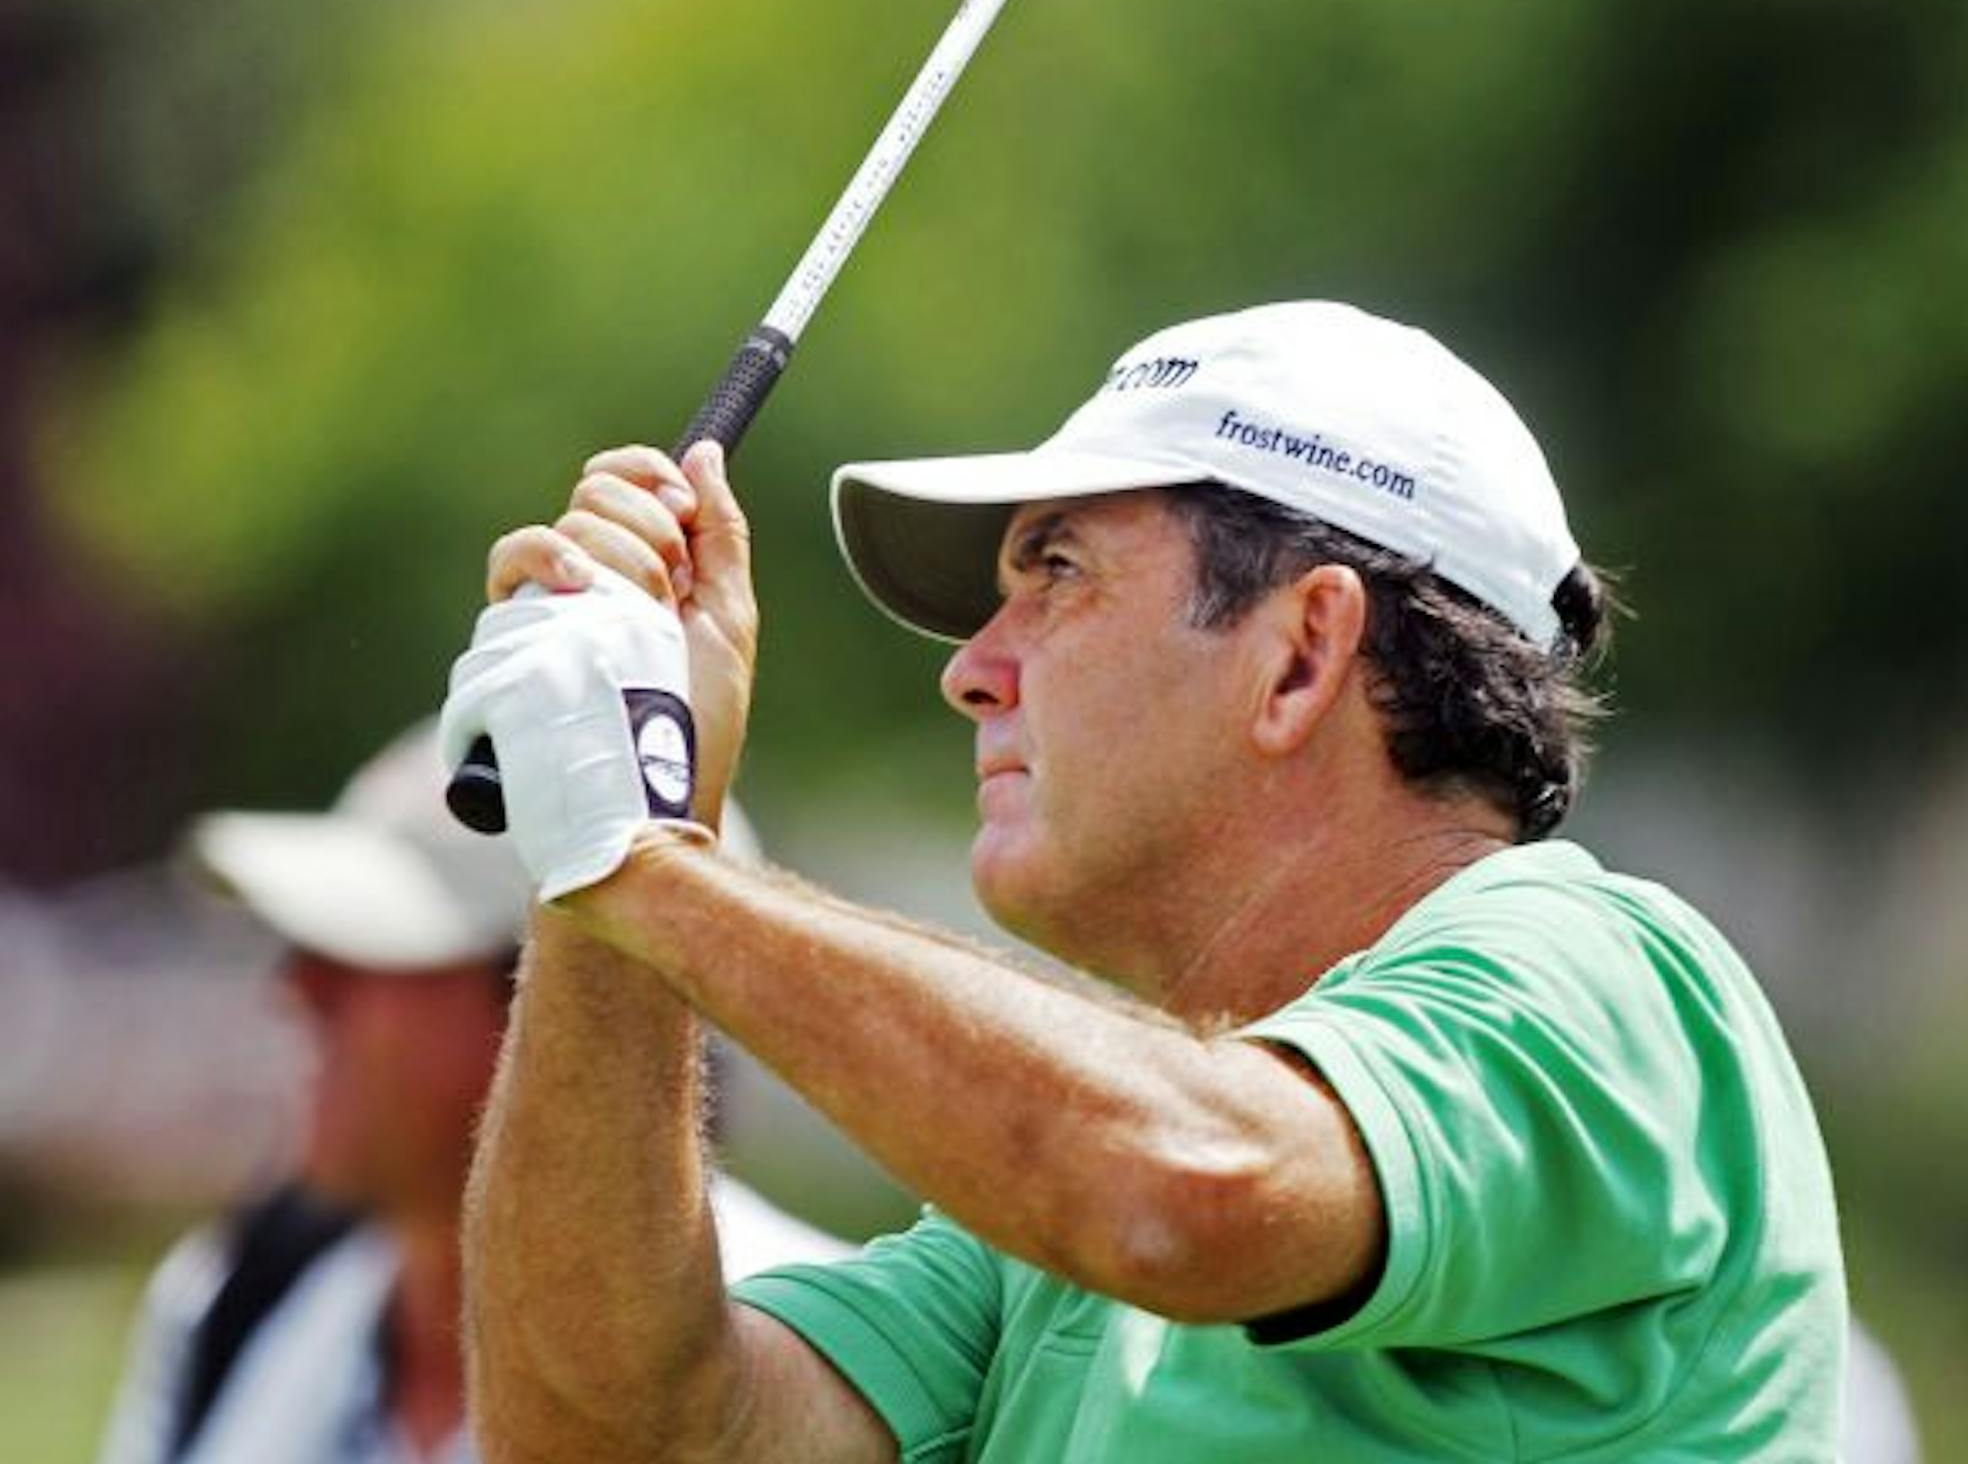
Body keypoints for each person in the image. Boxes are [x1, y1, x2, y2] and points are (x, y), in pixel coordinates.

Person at [444, 300, 1849, 1459]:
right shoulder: (1040, 1237)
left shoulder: (1597, 972)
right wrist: (627, 828)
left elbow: (1191, 1192)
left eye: (1056, 572)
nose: (971, 669)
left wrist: (641, 861)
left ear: (1301, 655)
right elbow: (610, 1441)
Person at [97, 720, 847, 1464]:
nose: (301, 987)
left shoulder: (829, 1367)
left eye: (363, 946)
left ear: (572, 1011)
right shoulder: (232, 1298)